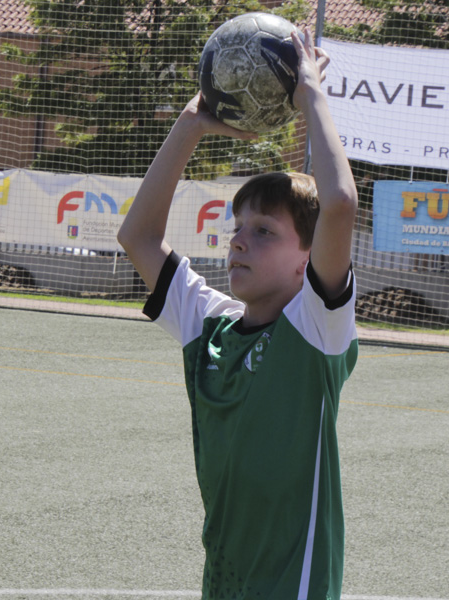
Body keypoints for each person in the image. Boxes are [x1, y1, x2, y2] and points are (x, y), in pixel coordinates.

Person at [117, 25, 358, 600]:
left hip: (290, 584)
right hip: (223, 576)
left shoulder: (315, 330)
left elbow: (340, 205)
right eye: (238, 228)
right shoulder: (211, 326)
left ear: (308, 259)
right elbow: (138, 238)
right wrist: (190, 125)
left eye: (265, 231)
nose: (240, 242)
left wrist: (309, 95)